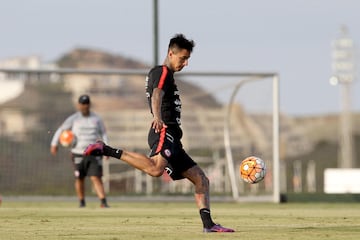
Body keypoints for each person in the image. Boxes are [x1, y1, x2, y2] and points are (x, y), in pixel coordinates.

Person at [84, 34, 234, 232]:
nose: (186, 63)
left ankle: (209, 225)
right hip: (164, 131)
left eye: (188, 59)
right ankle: (106, 149)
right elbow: (157, 94)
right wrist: (157, 117)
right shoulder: (162, 72)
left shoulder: (167, 75)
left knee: (201, 179)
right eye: (183, 58)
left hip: (174, 139)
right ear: (171, 53)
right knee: (155, 170)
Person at [50, 94, 110, 208]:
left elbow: (104, 134)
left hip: (94, 152)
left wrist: (107, 149)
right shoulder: (74, 119)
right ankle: (82, 202)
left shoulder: (96, 119)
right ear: (79, 105)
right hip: (78, 152)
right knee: (79, 178)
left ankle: (103, 202)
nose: (84, 106)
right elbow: (61, 130)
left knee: (95, 177)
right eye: (82, 104)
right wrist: (54, 143)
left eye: (86, 104)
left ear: (89, 105)